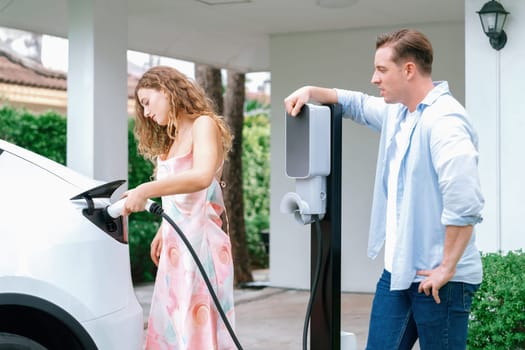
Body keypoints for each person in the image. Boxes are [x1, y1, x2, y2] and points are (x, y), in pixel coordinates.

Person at [284, 29, 484, 349]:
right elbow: (358, 104)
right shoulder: (399, 114)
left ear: (408, 69)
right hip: (397, 272)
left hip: (439, 282)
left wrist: (446, 268)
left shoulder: (445, 121)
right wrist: (310, 91)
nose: (374, 78)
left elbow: (465, 202)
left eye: (381, 69)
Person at [121, 66, 236, 349]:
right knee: (173, 327)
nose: (146, 113)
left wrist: (146, 190)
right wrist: (164, 227)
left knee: (197, 328)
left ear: (166, 89)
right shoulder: (170, 143)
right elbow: (179, 198)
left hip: (202, 245)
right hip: (178, 248)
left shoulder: (203, 125)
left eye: (147, 102)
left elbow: (201, 177)